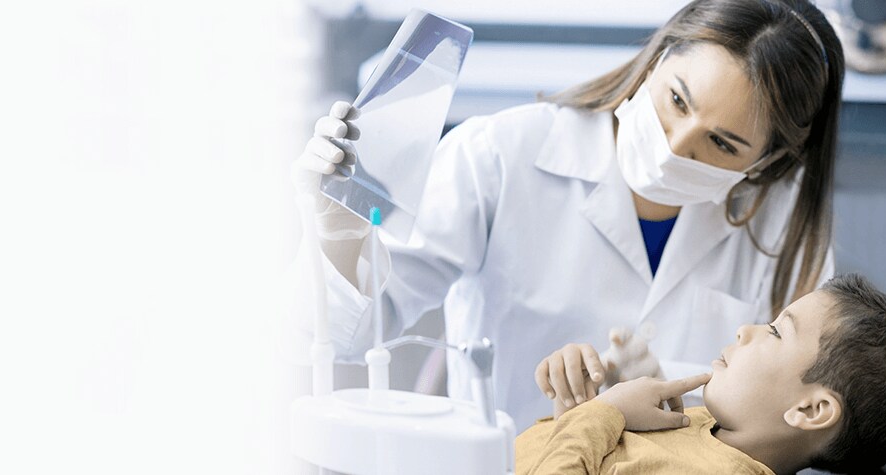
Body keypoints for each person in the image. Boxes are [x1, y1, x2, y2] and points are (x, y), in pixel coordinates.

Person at [292, 0, 845, 430]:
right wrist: (340, 236)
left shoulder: (784, 230)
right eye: (677, 100)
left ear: (770, 160)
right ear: (657, 57)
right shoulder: (501, 154)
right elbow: (342, 336)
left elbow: (792, 420)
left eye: (722, 144)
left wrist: (680, 394)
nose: (677, 147)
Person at [514, 274, 886, 474]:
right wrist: (574, 408)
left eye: (775, 331)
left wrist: (602, 414)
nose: (746, 331)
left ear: (810, 408)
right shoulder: (706, 427)